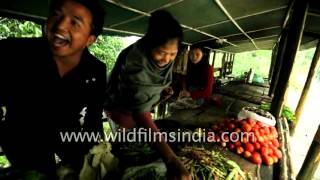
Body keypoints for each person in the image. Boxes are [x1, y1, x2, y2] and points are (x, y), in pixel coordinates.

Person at [0, 0, 106, 178]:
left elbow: (93, 120)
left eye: (75, 22)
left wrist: (96, 153)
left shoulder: (96, 70)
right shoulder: (12, 52)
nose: (60, 25)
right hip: (22, 134)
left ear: (90, 39)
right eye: (56, 14)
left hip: (68, 134)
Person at [105, 10, 191, 180]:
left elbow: (156, 84)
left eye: (172, 54)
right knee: (126, 150)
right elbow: (140, 113)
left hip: (140, 111)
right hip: (120, 110)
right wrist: (172, 160)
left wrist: (161, 91)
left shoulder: (161, 57)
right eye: (161, 52)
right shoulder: (136, 64)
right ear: (149, 45)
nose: (166, 59)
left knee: (143, 141)